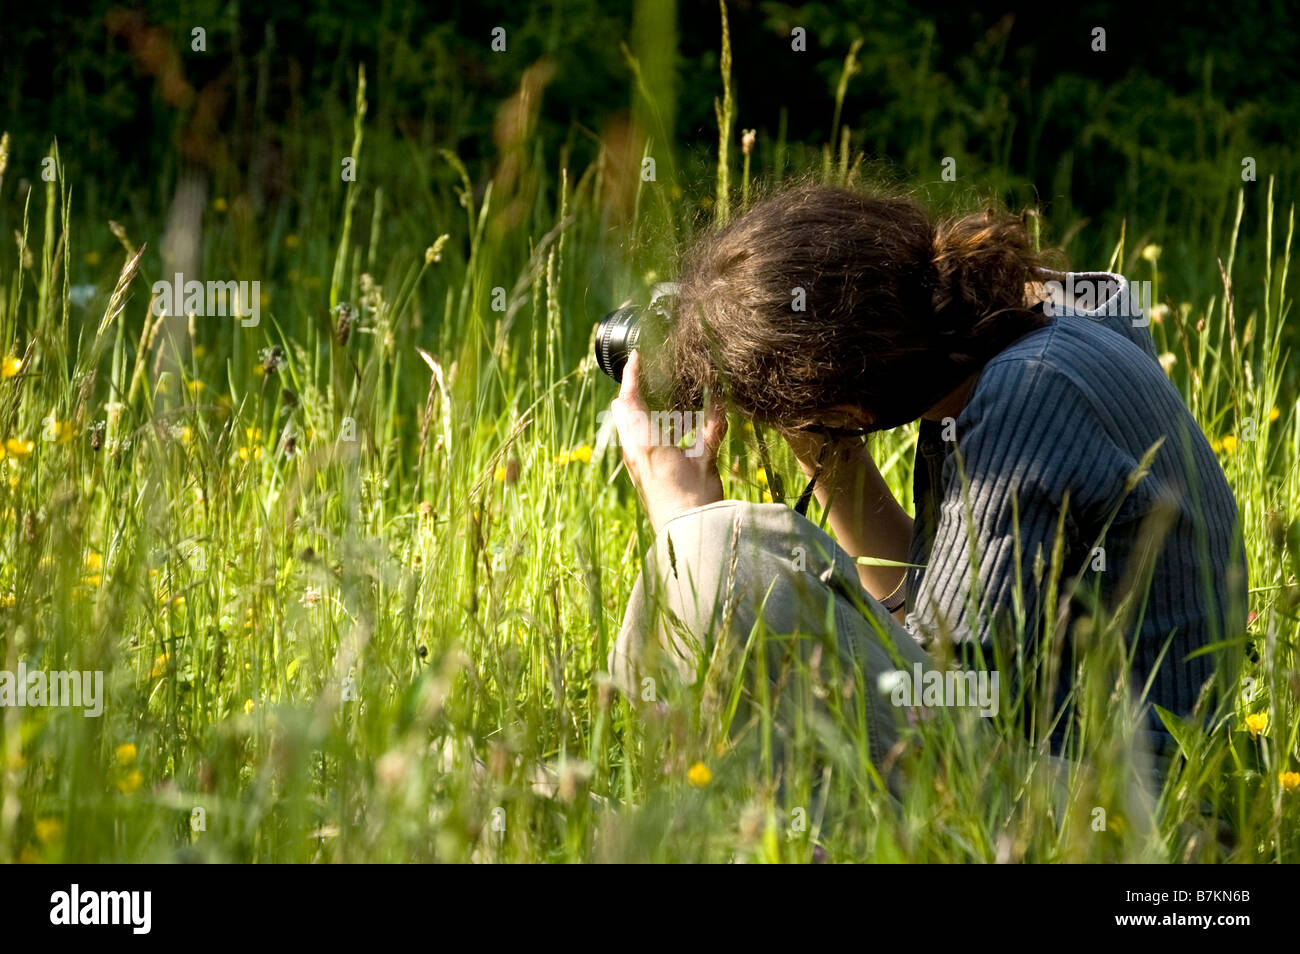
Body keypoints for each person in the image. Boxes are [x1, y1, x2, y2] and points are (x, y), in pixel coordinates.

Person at [607, 184, 1246, 765]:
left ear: (840, 401)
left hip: (1119, 811)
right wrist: (830, 451)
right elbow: (931, 611)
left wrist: (683, 522)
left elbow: (943, 699)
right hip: (1082, 767)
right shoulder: (1019, 339)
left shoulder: (1028, 396)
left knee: (719, 551)